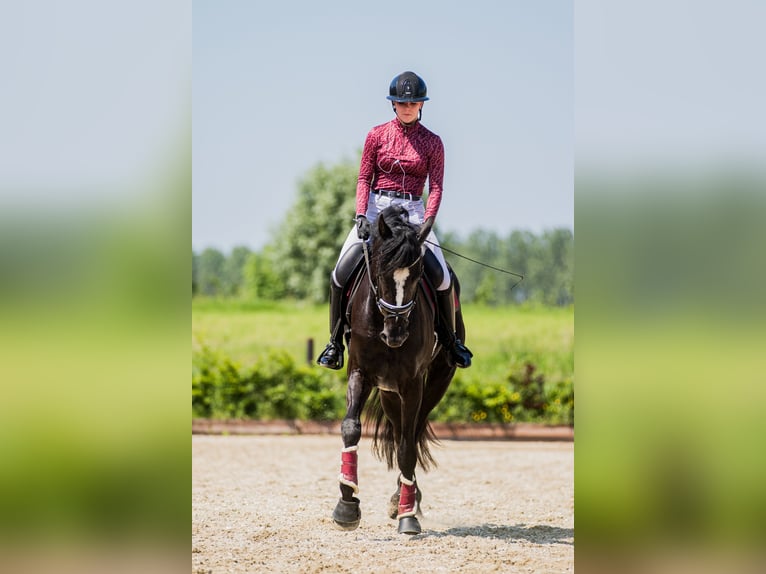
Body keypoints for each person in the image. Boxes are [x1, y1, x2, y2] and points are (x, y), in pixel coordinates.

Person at [317, 70, 472, 370]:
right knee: (339, 273)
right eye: (402, 102)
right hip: (378, 208)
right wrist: (361, 213)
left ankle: (451, 341)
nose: (407, 107)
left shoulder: (433, 142)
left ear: (421, 105)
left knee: (442, 277)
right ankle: (335, 344)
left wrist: (428, 220)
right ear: (394, 105)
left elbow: (436, 186)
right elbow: (364, 178)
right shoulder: (376, 135)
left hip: (414, 212)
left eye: (412, 103)